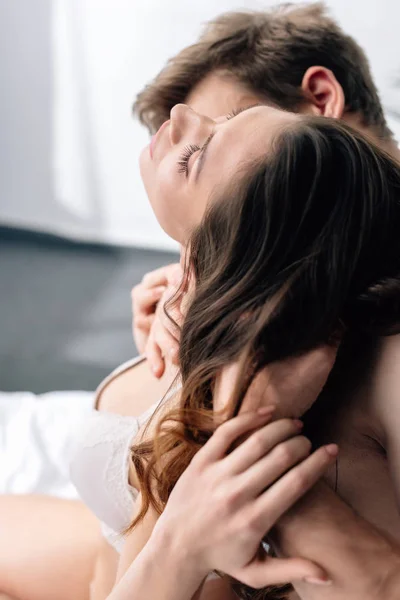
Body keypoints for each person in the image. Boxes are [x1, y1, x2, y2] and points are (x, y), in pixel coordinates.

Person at [1, 3, 399, 599]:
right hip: (103, 563)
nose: (183, 121)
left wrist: (227, 421)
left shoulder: (343, 361)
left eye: (221, 129)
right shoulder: (230, 304)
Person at [100, 103, 400, 600]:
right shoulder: (201, 328)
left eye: (194, 156)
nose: (179, 114)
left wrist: (242, 423)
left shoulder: (379, 363)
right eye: (223, 116)